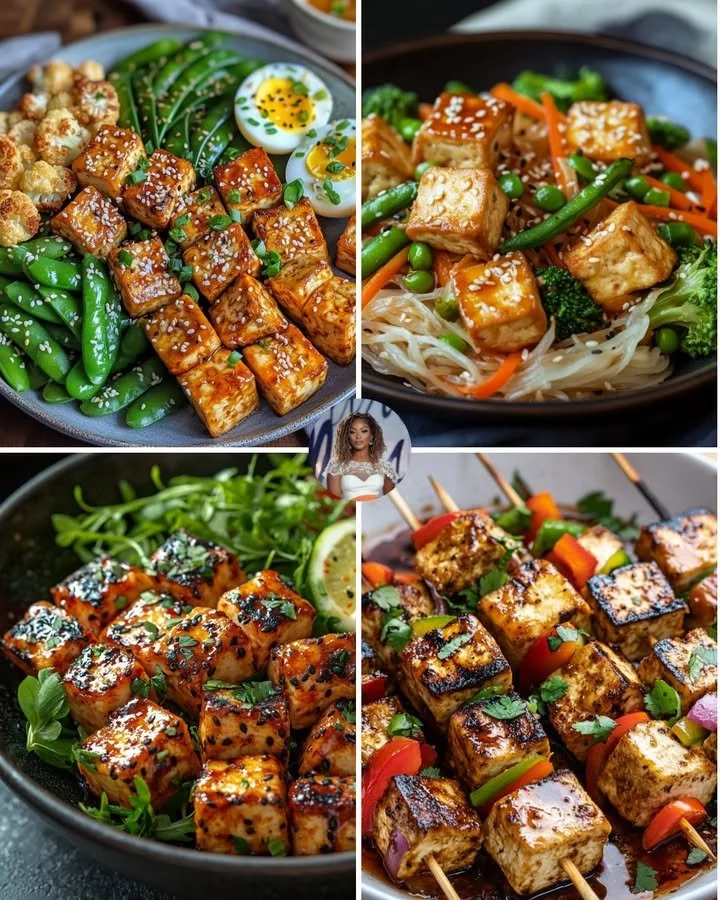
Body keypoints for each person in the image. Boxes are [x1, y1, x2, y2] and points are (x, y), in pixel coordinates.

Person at [326, 413, 396, 501]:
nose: (358, 436)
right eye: (352, 432)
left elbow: (391, 501)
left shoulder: (385, 467)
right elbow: (334, 501)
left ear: (372, 435)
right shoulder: (337, 465)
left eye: (364, 431)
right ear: (347, 436)